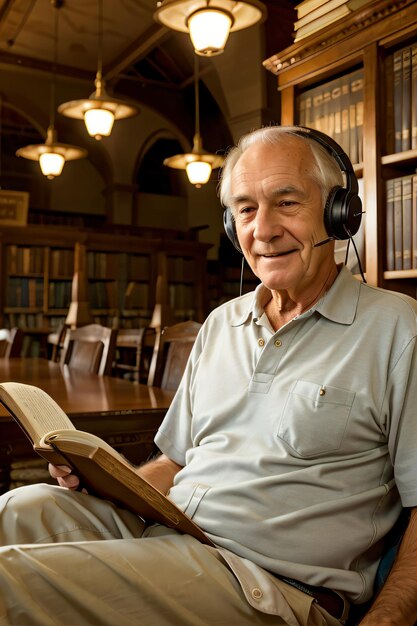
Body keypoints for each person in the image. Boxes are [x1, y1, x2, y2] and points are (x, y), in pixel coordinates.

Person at [0, 125, 416, 626]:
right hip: (170, 532)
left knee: (10, 579)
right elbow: (175, 461)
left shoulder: (398, 329)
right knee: (16, 507)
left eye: (286, 203)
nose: (262, 229)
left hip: (267, 583)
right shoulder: (222, 323)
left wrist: (387, 620)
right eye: (245, 208)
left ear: (340, 213)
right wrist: (107, 481)